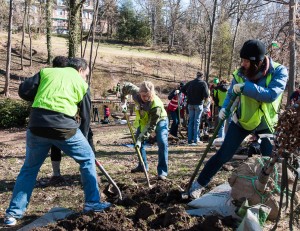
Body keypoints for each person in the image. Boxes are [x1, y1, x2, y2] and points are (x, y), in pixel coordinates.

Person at [4, 58, 111, 226]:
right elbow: (85, 118)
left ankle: (12, 214)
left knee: (29, 169)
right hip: (64, 127)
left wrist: (41, 94)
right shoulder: (81, 83)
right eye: (86, 75)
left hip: (36, 124)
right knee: (87, 158)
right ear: (80, 70)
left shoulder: (47, 72)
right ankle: (92, 203)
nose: (85, 78)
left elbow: (23, 91)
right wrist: (84, 142)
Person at [189, 39, 288, 199]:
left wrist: (245, 87)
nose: (243, 64)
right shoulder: (240, 73)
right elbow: (231, 94)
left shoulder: (279, 71)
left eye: (246, 61)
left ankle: (269, 196)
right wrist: (225, 109)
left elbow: (271, 95)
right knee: (223, 154)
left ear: (259, 62)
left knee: (268, 161)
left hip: (266, 123)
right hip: (243, 119)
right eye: (242, 60)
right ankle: (198, 185)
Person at [121, 81, 169, 180]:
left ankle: (162, 172)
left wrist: (141, 138)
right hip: (143, 121)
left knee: (162, 142)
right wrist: (123, 101)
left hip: (160, 120)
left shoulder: (156, 105)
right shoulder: (136, 92)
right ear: (139, 93)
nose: (145, 98)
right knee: (137, 142)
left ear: (152, 93)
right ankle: (142, 166)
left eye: (148, 96)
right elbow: (126, 86)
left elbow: (151, 126)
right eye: (143, 96)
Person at [181, 71, 209, 145]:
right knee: (197, 122)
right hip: (198, 104)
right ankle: (196, 140)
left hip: (190, 104)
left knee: (191, 122)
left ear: (196, 76)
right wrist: (202, 97)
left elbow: (182, 89)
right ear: (202, 76)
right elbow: (206, 95)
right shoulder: (203, 83)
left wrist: (188, 95)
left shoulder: (191, 83)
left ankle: (190, 140)